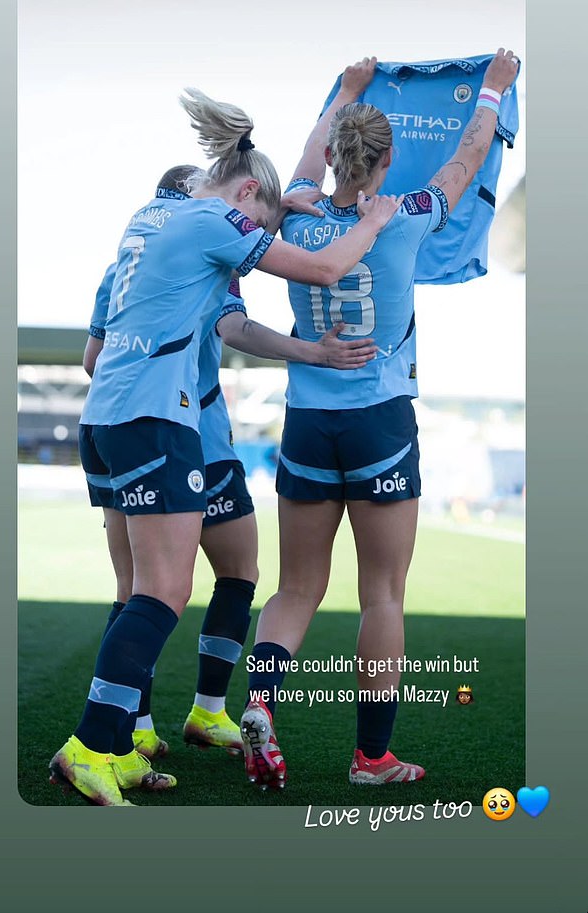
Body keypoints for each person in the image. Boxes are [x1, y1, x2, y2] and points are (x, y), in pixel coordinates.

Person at [49, 87, 402, 806]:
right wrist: (372, 220)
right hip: (156, 417)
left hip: (110, 415)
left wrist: (282, 207)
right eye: (257, 221)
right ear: (244, 195)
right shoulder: (217, 219)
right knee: (162, 592)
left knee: (151, 589)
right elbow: (325, 269)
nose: (252, 240)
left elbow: (220, 277)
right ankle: (88, 745)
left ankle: (117, 746)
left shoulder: (155, 214)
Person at [240, 49, 519, 789]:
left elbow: (306, 159)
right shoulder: (407, 217)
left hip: (307, 421)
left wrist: (348, 87)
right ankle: (371, 758)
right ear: (389, 159)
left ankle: (261, 701)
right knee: (382, 594)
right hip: (380, 423)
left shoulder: (296, 213)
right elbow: (466, 159)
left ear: (334, 156)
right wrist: (491, 90)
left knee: (296, 588)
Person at [83, 165, 378, 763]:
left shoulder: (134, 252)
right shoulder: (206, 235)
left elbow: (93, 359)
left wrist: (281, 208)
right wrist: (313, 351)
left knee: (174, 583)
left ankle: (159, 725)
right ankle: (115, 739)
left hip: (128, 422)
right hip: (176, 429)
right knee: (165, 590)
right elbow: (239, 321)